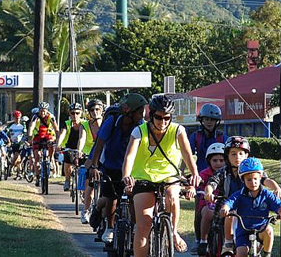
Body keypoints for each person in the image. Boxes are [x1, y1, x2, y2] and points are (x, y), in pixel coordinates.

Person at [122, 94, 201, 256]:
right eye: (159, 117)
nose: (163, 122)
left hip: (169, 176)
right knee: (144, 225)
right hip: (143, 177)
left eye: (167, 118)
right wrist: (127, 175)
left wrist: (195, 174)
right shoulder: (140, 131)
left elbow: (187, 154)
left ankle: (173, 232)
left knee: (172, 193)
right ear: (151, 115)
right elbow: (129, 156)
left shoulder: (178, 130)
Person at [204, 136, 281, 256]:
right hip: (228, 212)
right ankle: (228, 242)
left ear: (247, 155)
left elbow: (266, 180)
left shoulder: (254, 169)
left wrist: (276, 188)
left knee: (262, 233)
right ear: (227, 156)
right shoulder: (224, 172)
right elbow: (212, 182)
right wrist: (209, 192)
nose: (237, 158)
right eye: (233, 154)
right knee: (230, 215)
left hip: (251, 213)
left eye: (241, 154)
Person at [88, 93, 148, 244]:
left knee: (134, 198)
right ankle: (109, 227)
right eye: (140, 111)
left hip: (132, 168)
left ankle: (135, 228)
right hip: (111, 165)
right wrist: (94, 167)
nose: (143, 115)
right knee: (111, 197)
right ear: (129, 111)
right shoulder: (112, 122)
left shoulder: (141, 125)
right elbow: (99, 144)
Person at [220, 158, 281, 257]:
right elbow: (230, 202)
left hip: (261, 229)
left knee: (269, 230)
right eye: (249, 179)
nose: (253, 182)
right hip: (243, 231)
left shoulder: (267, 194)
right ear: (243, 179)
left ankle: (267, 254)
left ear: (260, 177)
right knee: (241, 254)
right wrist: (225, 208)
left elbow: (278, 204)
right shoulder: (239, 194)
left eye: (255, 179)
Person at [189, 103, 228, 252]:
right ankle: (199, 240)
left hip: (222, 176)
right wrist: (187, 175)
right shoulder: (195, 136)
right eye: (206, 119)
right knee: (199, 211)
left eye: (212, 119)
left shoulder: (222, 137)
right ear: (201, 120)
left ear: (217, 121)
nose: (209, 122)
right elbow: (189, 155)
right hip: (201, 177)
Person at [77, 99, 104, 224]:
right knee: (90, 183)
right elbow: (82, 139)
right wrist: (79, 150)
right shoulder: (85, 125)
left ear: (102, 110)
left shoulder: (106, 123)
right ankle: (86, 210)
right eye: (92, 110)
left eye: (97, 109)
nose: (95, 112)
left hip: (104, 156)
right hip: (90, 156)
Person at [197, 142, 225, 256]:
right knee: (208, 213)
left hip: (224, 202)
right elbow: (198, 185)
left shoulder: (227, 173)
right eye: (215, 160)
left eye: (221, 160)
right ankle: (203, 241)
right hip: (207, 202)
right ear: (209, 161)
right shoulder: (204, 173)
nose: (218, 163)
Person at [27, 102, 60, 187]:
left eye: (44, 111)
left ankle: (50, 159)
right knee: (36, 157)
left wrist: (58, 139)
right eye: (41, 111)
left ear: (47, 111)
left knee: (51, 145)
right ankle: (37, 177)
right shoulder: (35, 117)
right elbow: (31, 127)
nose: (42, 113)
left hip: (48, 135)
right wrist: (30, 138)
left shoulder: (51, 117)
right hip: (37, 136)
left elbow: (56, 129)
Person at [57, 102, 85, 191]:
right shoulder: (67, 123)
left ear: (81, 113)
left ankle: (84, 185)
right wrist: (58, 144)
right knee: (68, 161)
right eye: (72, 113)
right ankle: (67, 180)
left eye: (77, 113)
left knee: (84, 166)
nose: (75, 115)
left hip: (83, 148)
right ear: (69, 113)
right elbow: (62, 134)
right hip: (69, 147)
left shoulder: (85, 123)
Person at [8, 110, 26, 180]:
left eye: (18, 118)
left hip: (20, 143)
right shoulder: (11, 126)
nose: (17, 119)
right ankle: (16, 171)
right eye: (16, 118)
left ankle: (15, 170)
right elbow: (9, 134)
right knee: (17, 158)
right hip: (14, 143)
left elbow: (25, 134)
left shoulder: (22, 126)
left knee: (18, 158)